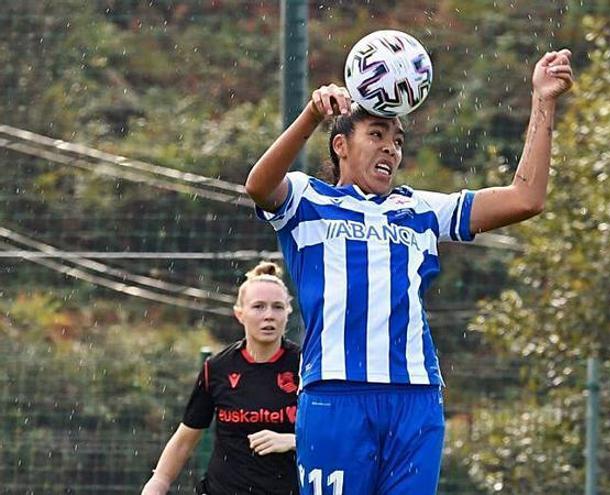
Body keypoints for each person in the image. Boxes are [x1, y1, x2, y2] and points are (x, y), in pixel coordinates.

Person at [245, 48, 573, 495]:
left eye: (397, 140)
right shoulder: (307, 201)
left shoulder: (419, 209)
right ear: (340, 146)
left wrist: (543, 100)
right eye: (377, 134)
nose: (390, 148)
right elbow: (258, 185)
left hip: (415, 397)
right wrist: (310, 116)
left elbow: (526, 198)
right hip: (335, 395)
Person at [141, 262, 301, 495]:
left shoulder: (307, 367)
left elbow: (334, 436)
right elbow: (185, 438)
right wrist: (158, 483)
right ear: (240, 314)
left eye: (277, 307)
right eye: (258, 306)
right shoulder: (217, 368)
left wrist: (294, 440)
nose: (269, 315)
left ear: (288, 313)